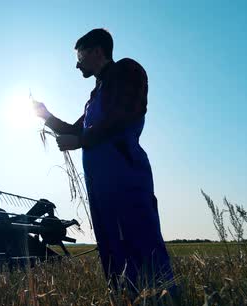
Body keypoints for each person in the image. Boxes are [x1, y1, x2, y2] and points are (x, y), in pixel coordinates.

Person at [33, 28, 174, 291]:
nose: (77, 64)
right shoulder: (94, 97)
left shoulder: (127, 71)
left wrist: (82, 141)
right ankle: (127, 305)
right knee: (111, 246)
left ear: (97, 51)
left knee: (138, 237)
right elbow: (76, 132)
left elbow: (123, 115)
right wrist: (45, 115)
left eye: (80, 55)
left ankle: (165, 305)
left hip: (124, 176)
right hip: (99, 185)